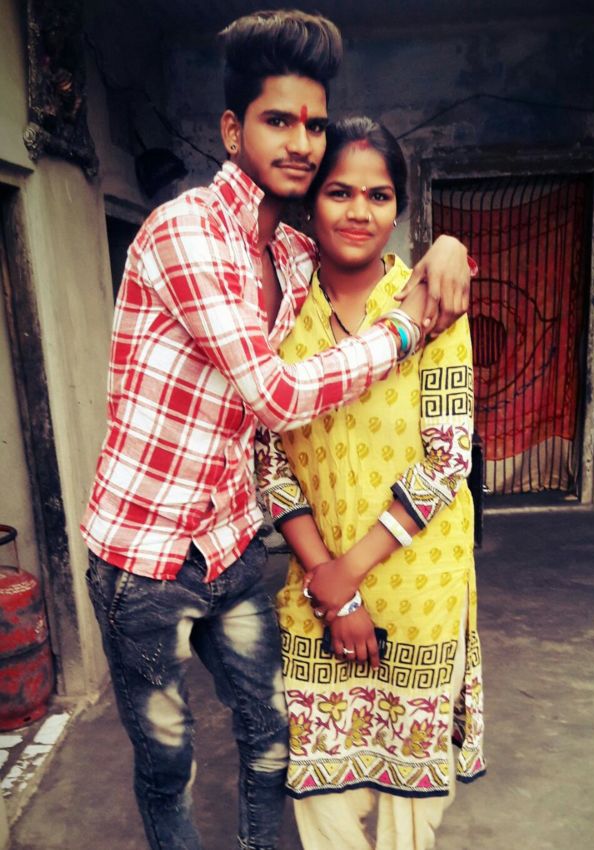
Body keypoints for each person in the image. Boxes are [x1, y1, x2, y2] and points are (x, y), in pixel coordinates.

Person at [81, 11, 474, 850]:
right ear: (233, 130)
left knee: (270, 743)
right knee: (170, 763)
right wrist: (407, 329)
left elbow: (364, 254)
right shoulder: (187, 232)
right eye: (278, 121)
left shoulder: (290, 259)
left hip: (231, 549)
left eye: (313, 124)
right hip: (145, 559)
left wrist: (447, 243)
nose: (300, 143)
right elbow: (277, 399)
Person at [257, 116, 485, 850]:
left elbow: (447, 458)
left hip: (419, 585)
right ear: (311, 202)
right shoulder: (280, 314)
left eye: (379, 195)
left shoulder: (434, 306)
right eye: (340, 192)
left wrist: (347, 577)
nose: (359, 211)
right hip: (317, 585)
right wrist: (334, 590)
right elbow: (270, 460)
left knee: (409, 802)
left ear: (398, 207)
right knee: (322, 787)